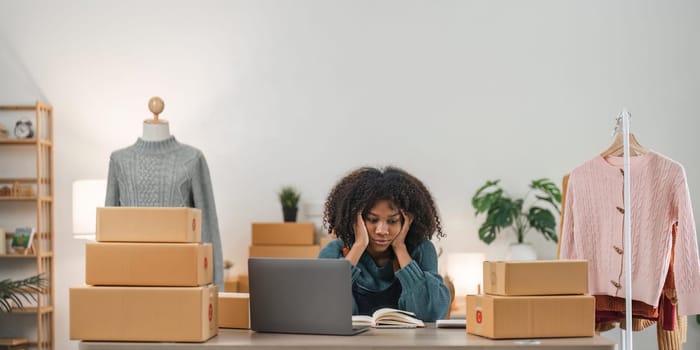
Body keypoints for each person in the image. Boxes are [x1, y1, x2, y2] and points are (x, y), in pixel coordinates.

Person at [318, 166, 450, 322]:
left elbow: (430, 314)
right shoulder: (335, 251)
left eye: (392, 221)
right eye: (372, 220)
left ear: (407, 221)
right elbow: (322, 308)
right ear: (355, 219)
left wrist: (400, 249)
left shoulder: (422, 250)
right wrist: (359, 245)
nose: (382, 230)